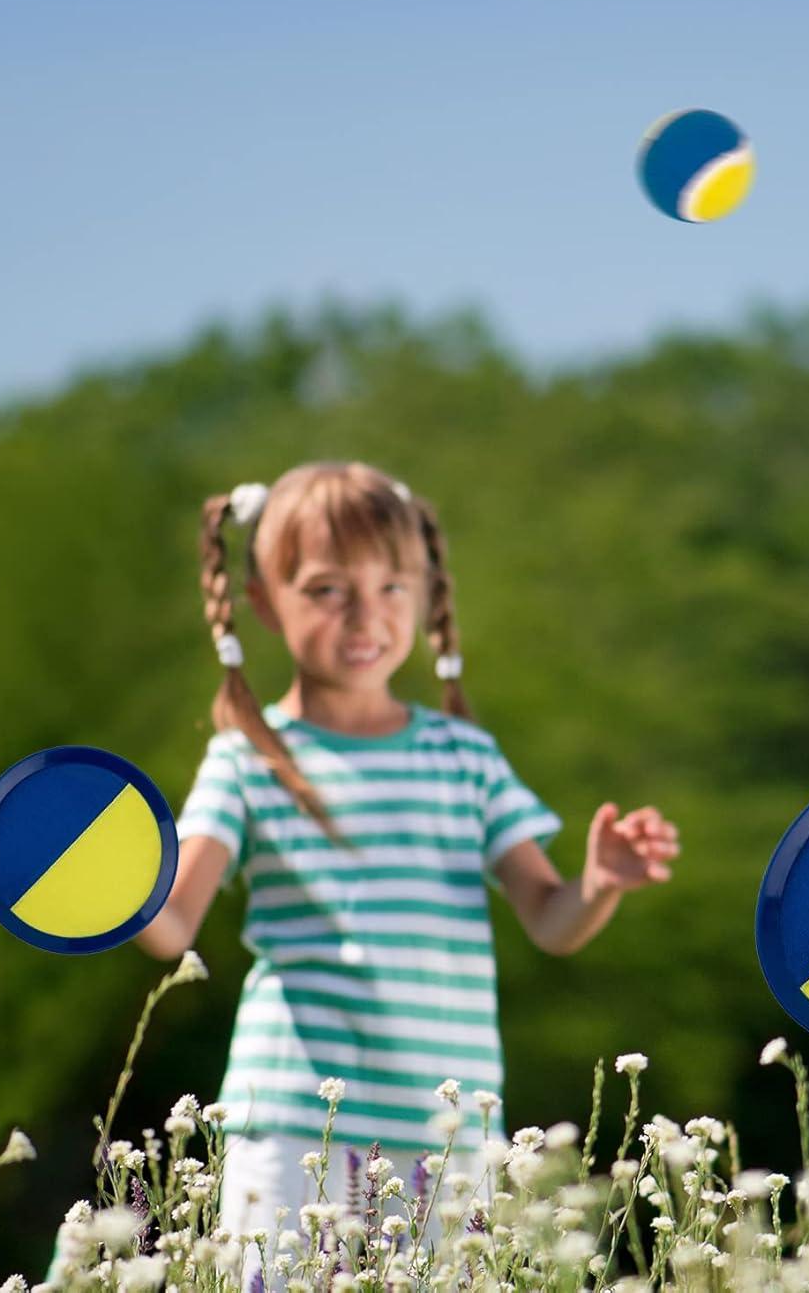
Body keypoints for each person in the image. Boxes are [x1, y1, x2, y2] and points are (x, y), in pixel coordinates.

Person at [136, 461, 678, 1270]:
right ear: (261, 601)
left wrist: (600, 883)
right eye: (326, 589)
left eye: (392, 586)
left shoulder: (464, 758)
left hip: (448, 1135)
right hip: (292, 1125)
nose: (366, 614)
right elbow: (171, 920)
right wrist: (113, 888)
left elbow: (552, 920)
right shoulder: (247, 759)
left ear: (425, 592)